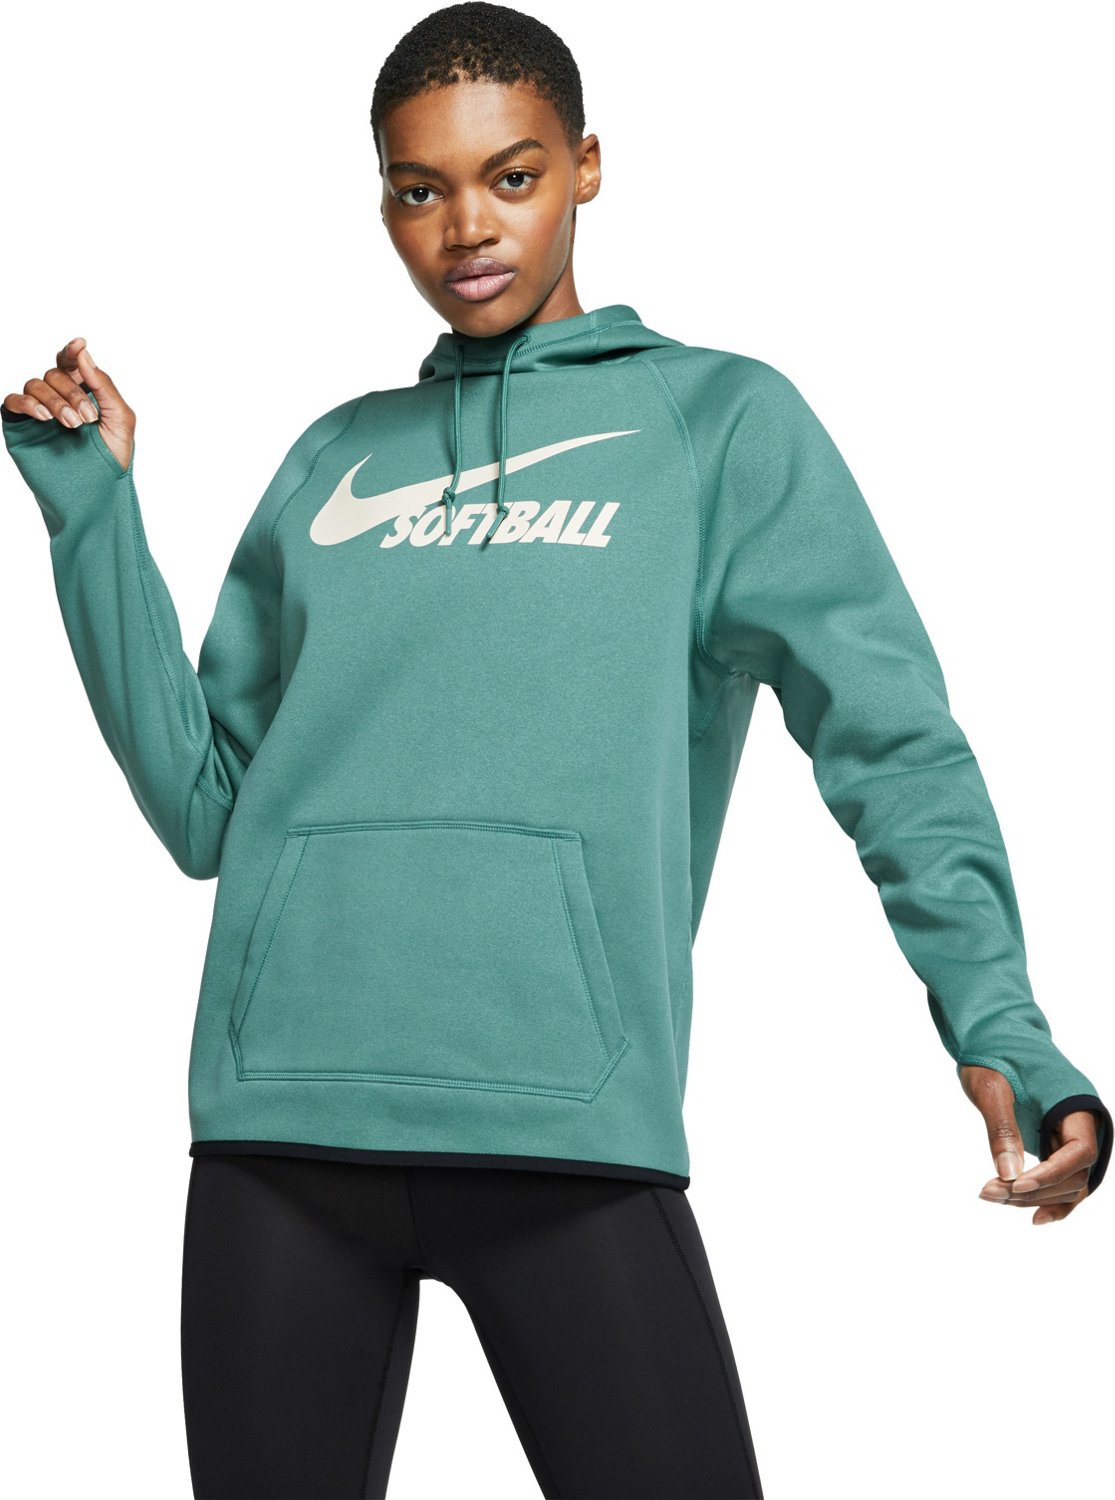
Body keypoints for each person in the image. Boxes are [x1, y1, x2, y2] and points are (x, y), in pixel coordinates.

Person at [2, 4, 1108, 1497]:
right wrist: (91, 516)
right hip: (282, 1139)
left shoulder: (720, 425)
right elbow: (208, 810)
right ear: (383, 201)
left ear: (586, 166)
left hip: (569, 1130)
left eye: (510, 177)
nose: (466, 227)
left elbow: (894, 746)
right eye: (420, 189)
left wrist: (1001, 1025)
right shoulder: (337, 454)